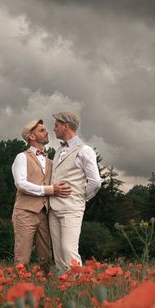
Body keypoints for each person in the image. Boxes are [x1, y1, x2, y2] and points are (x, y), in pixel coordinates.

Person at [11, 119, 71, 272]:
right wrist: (49, 190)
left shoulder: (51, 162)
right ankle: (18, 292)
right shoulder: (22, 157)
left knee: (46, 257)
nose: (47, 132)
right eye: (42, 130)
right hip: (25, 212)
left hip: (45, 213)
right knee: (22, 257)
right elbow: (21, 184)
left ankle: (44, 291)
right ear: (31, 136)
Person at [49, 112, 101, 272]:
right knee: (58, 254)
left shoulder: (85, 150)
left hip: (72, 208)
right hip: (53, 208)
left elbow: (95, 181)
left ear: (66, 126)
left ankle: (79, 287)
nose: (54, 128)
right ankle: (64, 290)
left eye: (57, 125)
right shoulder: (59, 150)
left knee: (68, 250)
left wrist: (80, 197)